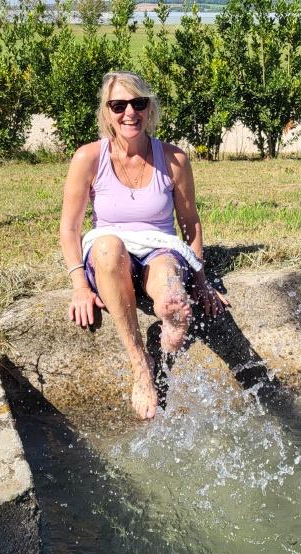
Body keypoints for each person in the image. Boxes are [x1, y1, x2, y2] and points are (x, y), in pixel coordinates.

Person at [59, 71, 228, 420]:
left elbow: (191, 223)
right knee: (108, 247)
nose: (129, 113)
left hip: (159, 249)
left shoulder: (174, 159)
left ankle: (169, 329)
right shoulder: (88, 158)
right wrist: (79, 286)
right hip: (109, 257)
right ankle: (141, 365)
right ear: (107, 112)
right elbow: (69, 228)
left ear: (150, 108)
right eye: (118, 105)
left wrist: (201, 280)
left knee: (171, 289)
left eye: (138, 103)